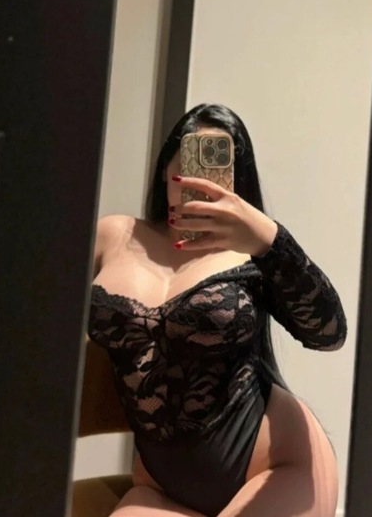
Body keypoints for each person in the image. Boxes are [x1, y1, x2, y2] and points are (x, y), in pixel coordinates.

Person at [88, 104, 347, 517]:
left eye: (217, 170)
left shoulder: (252, 255)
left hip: (276, 466)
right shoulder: (115, 236)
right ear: (166, 169)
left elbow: (329, 332)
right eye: (190, 164)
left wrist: (267, 240)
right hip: (162, 486)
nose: (202, 183)